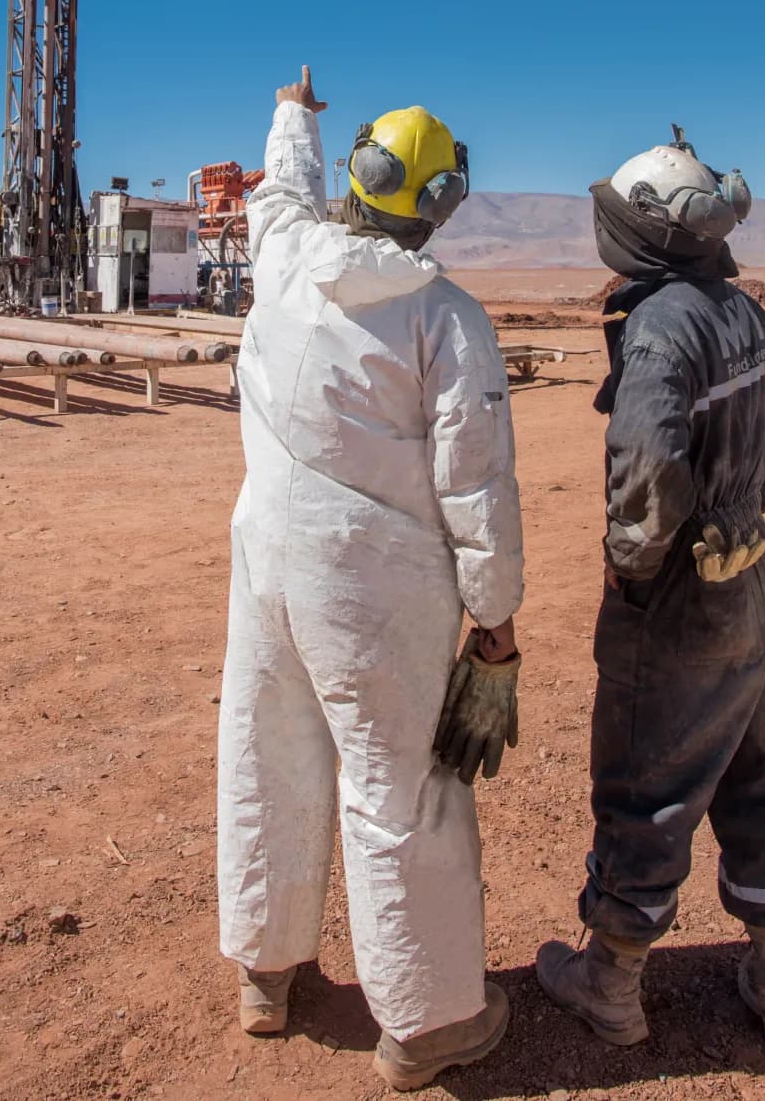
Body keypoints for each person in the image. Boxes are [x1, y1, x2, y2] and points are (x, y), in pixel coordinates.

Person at [216, 68, 525, 1092]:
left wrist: (292, 112)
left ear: (356, 175)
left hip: (267, 565)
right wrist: (495, 621)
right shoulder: (446, 319)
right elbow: (473, 482)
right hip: (379, 588)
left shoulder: (287, 256)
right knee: (404, 790)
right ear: (441, 207)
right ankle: (427, 1022)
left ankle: (268, 974)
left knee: (269, 756)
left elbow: (277, 190)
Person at [537, 127, 765, 1059]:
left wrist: (637, 566)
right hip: (756, 590)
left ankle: (613, 984)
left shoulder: (661, 329)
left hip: (681, 608)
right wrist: (749, 505)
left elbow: (651, 465)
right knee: (756, 772)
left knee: (645, 783)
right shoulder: (742, 313)